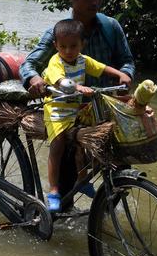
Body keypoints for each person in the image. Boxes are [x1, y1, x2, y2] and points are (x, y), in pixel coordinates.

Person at [43, 19, 131, 212]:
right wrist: (77, 87)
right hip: (57, 112)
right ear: (55, 45)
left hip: (76, 110)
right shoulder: (55, 62)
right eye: (63, 46)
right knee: (57, 145)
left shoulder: (83, 60)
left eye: (73, 46)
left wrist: (120, 75)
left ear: (83, 44)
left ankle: (82, 179)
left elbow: (101, 68)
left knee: (85, 143)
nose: (68, 51)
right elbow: (60, 80)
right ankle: (53, 190)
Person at [20, 0, 136, 97]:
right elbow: (28, 65)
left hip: (103, 102)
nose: (95, 2)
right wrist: (34, 79)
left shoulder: (111, 26)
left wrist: (125, 75)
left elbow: (127, 61)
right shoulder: (58, 34)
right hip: (68, 106)